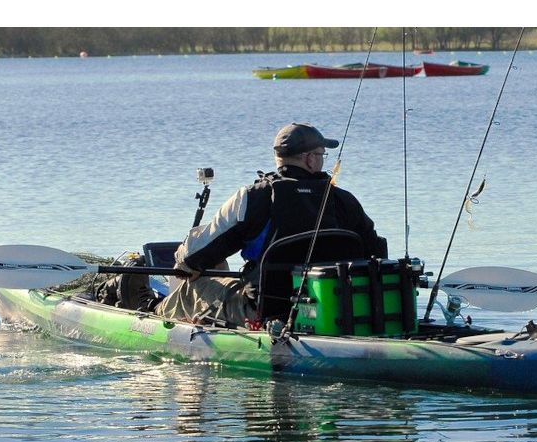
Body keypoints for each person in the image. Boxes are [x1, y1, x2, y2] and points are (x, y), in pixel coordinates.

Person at [154, 122, 386, 327]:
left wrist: (183, 260)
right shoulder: (345, 200)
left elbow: (194, 256)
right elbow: (376, 254)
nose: (323, 160)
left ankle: (150, 314)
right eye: (322, 154)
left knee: (195, 285)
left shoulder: (254, 197)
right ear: (309, 159)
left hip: (264, 312)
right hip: (337, 308)